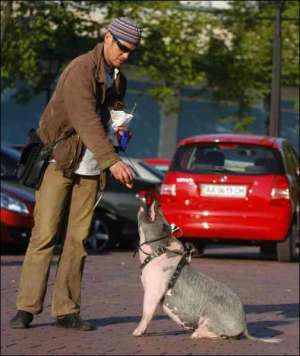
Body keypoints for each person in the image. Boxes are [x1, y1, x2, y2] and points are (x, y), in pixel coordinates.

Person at [10, 17, 142, 331]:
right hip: (59, 160)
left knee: (78, 239)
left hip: (91, 167)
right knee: (44, 235)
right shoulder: (80, 69)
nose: (126, 55)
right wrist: (113, 160)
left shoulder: (117, 78)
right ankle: (26, 308)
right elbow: (84, 119)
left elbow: (112, 113)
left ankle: (66, 310)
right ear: (108, 38)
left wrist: (121, 128)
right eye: (123, 48)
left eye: (132, 52)